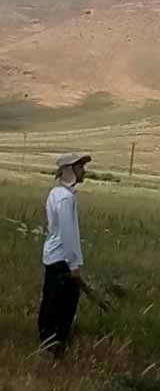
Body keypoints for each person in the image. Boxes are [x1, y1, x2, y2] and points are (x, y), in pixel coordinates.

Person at [38, 152, 91, 357]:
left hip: (55, 257)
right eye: (80, 167)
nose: (83, 171)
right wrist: (74, 264)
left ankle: (47, 342)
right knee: (62, 306)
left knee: (51, 300)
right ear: (70, 171)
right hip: (62, 259)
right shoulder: (66, 199)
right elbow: (67, 233)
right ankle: (54, 346)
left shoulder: (56, 193)